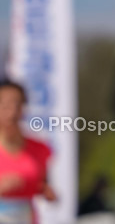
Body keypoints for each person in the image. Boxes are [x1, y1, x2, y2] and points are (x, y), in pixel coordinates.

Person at [0, 81, 56, 224]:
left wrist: (45, 190)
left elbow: (42, 184)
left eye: (17, 104)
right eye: (5, 105)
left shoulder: (40, 149)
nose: (11, 112)